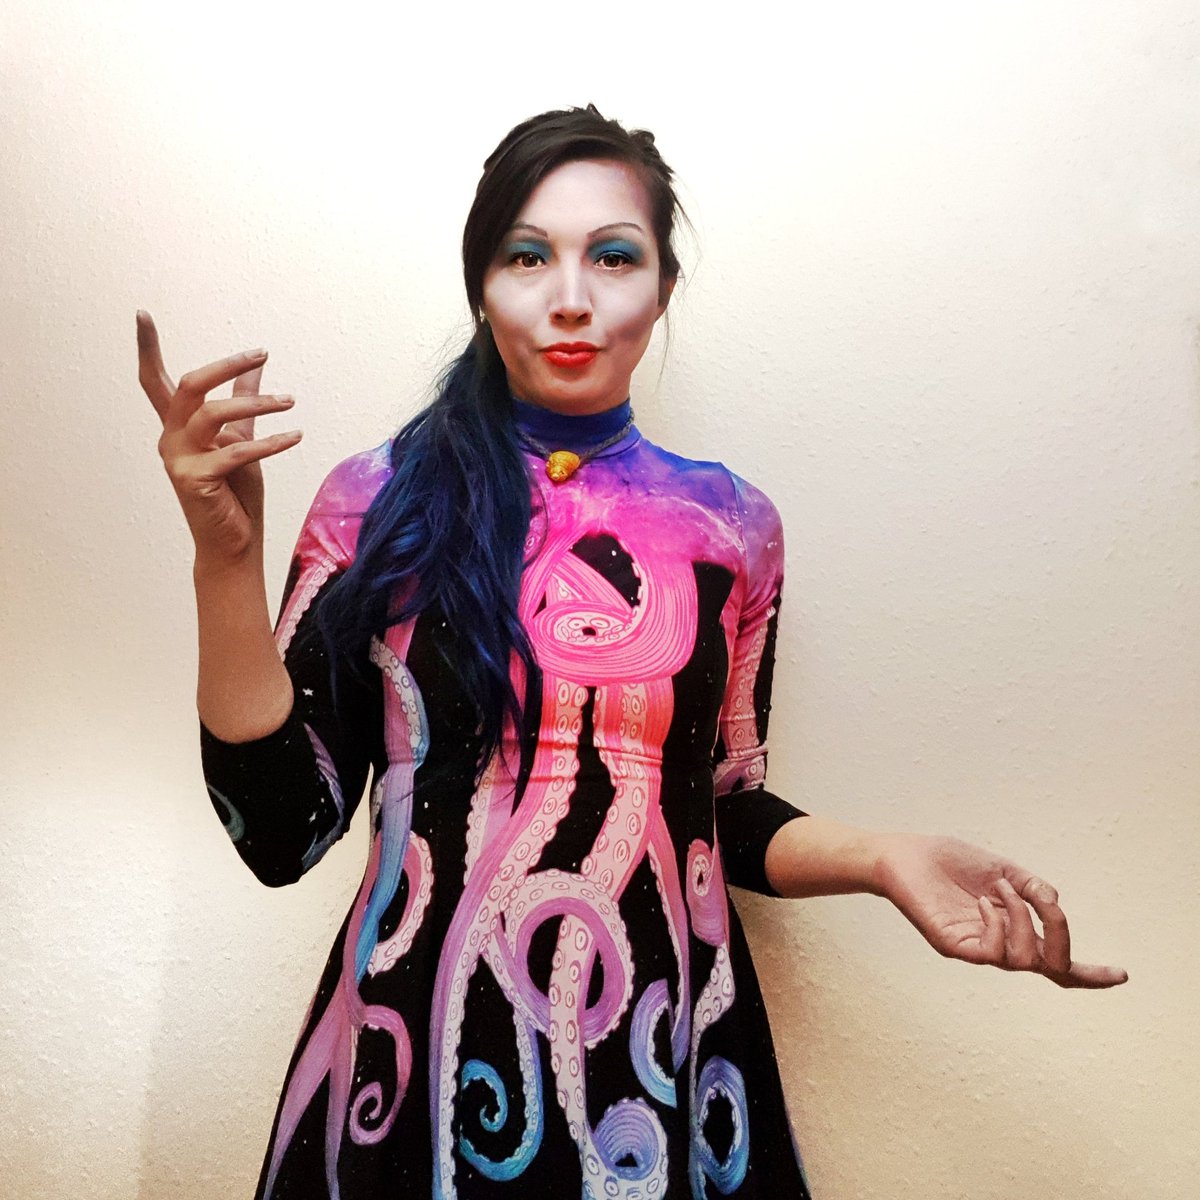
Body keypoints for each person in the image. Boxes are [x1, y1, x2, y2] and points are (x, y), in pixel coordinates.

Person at [137, 104, 1127, 1200]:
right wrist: (225, 565)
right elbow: (282, 828)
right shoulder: (376, 504)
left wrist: (884, 859)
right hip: (415, 1055)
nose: (571, 296)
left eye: (613, 256)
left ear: (662, 289)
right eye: (528, 256)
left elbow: (716, 807)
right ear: (480, 286)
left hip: (663, 1054)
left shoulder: (731, 526)